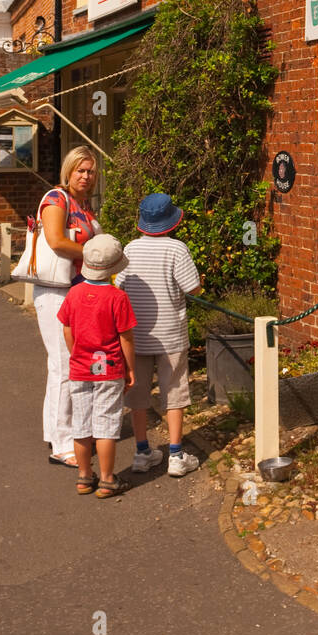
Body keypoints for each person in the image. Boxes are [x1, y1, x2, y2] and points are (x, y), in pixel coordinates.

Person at [115, 193, 201, 477]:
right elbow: (193, 288)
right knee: (174, 391)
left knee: (137, 394)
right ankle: (175, 455)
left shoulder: (130, 249)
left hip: (136, 336)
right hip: (171, 337)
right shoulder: (177, 250)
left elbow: (121, 288)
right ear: (171, 222)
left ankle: (142, 452)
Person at [34, 146, 100, 468]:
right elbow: (56, 241)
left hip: (72, 292)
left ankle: (56, 431)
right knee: (64, 366)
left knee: (59, 365)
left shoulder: (83, 205)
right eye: (81, 170)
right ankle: (62, 444)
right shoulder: (56, 199)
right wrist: (95, 255)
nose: (86, 176)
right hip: (53, 292)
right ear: (69, 170)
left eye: (90, 171)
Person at [57, 234, 137, 499]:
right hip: (109, 369)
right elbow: (126, 337)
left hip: (80, 368)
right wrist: (130, 368)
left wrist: (75, 352)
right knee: (106, 426)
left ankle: (83, 476)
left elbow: (67, 329)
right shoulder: (118, 297)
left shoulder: (74, 293)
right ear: (114, 268)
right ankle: (106, 479)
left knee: (81, 426)